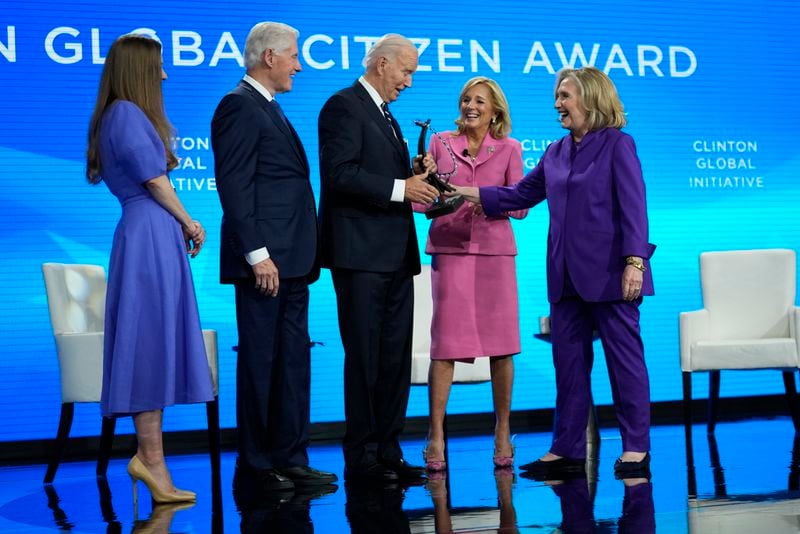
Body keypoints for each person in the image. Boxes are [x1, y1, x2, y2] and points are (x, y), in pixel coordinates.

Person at [452, 66, 655, 480]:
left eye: (565, 95)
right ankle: (567, 448)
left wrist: (635, 262)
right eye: (557, 96)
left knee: (625, 363)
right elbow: (519, 194)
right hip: (564, 278)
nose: (557, 104)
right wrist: (460, 190)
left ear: (592, 98)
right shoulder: (556, 151)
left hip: (612, 275)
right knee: (568, 366)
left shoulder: (618, 144)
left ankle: (636, 446)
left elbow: (635, 208)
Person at [86, 33, 213, 504]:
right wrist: (189, 221)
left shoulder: (122, 115)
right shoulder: (124, 113)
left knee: (155, 345)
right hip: (147, 237)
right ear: (140, 70)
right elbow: (155, 181)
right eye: (158, 66)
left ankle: (152, 461)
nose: (164, 74)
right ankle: (150, 461)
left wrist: (175, 227)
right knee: (147, 346)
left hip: (152, 237)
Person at [211, 21, 336, 491]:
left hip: (295, 262)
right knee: (261, 361)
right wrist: (257, 254)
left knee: (292, 362)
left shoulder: (270, 108)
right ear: (270, 58)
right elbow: (235, 186)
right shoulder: (238, 106)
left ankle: (291, 458)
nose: (299, 66)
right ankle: (258, 466)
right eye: (294, 56)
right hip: (265, 263)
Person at [318, 33, 440, 483]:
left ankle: (388, 449)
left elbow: (381, 177)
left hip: (392, 255)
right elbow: (340, 173)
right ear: (383, 64)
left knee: (393, 359)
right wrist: (400, 188)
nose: (409, 82)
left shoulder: (386, 115)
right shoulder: (343, 105)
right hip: (360, 255)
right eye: (406, 71)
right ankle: (363, 456)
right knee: (366, 358)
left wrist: (412, 178)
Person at [419, 77, 527, 472]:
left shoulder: (510, 149)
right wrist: (426, 181)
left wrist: (489, 200)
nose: (471, 106)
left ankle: (502, 432)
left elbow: (521, 206)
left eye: (480, 100)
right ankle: (435, 435)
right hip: (451, 252)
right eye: (466, 99)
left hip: (495, 254)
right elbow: (421, 205)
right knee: (446, 345)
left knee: (502, 346)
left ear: (495, 109)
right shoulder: (439, 143)